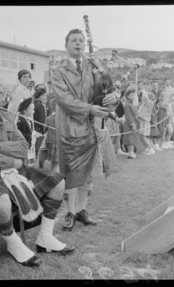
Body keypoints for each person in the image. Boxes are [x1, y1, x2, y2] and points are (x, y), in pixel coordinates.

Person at [0, 66, 75, 268]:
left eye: (2, 86)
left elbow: (23, 146)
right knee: (1, 201)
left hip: (13, 171)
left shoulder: (4, 115)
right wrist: (13, 162)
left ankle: (45, 238)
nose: (2, 90)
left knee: (57, 183)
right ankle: (13, 243)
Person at [50, 29, 119, 231]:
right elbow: (63, 99)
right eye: (73, 40)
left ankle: (81, 210)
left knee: (88, 171)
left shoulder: (93, 67)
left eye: (81, 40)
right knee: (70, 170)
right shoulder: (58, 70)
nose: (78, 43)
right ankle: (70, 212)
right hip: (69, 127)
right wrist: (89, 108)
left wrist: (112, 98)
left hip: (91, 126)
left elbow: (106, 88)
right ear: (66, 45)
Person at [16, 97, 41, 167]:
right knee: (26, 166)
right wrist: (32, 136)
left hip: (29, 149)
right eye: (32, 109)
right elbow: (21, 135)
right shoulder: (20, 121)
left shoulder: (27, 121)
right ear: (25, 110)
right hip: (24, 149)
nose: (33, 111)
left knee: (30, 165)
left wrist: (34, 134)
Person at [123, 86, 139, 159]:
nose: (133, 96)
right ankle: (130, 152)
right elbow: (128, 116)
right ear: (127, 96)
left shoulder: (132, 103)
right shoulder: (127, 104)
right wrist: (132, 124)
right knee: (130, 138)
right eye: (132, 94)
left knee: (133, 137)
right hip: (129, 124)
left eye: (134, 94)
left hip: (134, 122)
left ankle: (131, 152)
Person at [137, 89, 155, 155]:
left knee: (143, 137)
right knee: (143, 137)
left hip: (145, 121)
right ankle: (147, 148)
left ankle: (151, 149)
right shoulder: (144, 103)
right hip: (142, 121)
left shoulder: (150, 103)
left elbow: (145, 97)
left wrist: (143, 91)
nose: (142, 98)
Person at [44, 97, 59, 173]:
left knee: (51, 162)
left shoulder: (48, 119)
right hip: (59, 142)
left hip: (50, 142)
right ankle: (55, 179)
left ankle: (49, 176)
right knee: (57, 163)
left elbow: (44, 130)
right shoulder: (62, 119)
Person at [33, 88, 48, 168]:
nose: (45, 97)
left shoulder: (34, 104)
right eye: (43, 96)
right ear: (38, 96)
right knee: (40, 151)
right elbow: (42, 120)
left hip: (34, 130)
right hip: (39, 131)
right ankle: (40, 167)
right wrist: (44, 131)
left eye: (45, 95)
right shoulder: (40, 106)